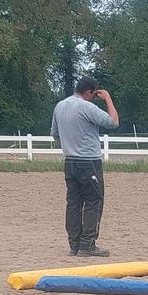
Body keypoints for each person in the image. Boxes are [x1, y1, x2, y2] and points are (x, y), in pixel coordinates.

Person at [51, 76, 119, 256]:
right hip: (89, 162)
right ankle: (88, 244)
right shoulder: (87, 107)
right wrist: (108, 99)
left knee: (73, 203)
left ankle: (74, 244)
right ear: (90, 92)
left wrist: (70, 144)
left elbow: (55, 134)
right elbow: (113, 122)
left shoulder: (60, 106)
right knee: (93, 201)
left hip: (70, 161)